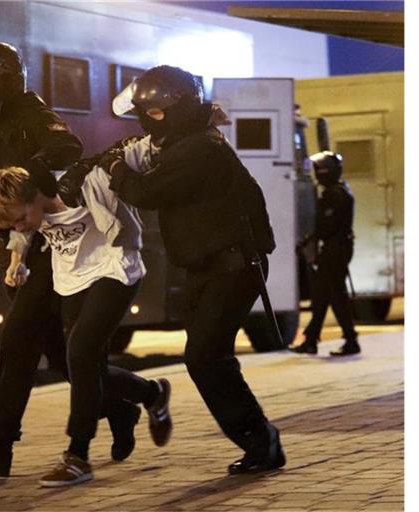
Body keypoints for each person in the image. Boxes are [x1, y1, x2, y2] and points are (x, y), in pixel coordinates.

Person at [0, 41, 144, 477]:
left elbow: (66, 149)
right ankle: (123, 406)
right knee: (61, 358)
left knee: (19, 341)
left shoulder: (33, 116)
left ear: (6, 82)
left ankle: (2, 442)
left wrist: (28, 194)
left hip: (51, 247)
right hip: (16, 248)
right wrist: (2, 232)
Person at [93, 65, 286, 475]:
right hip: (210, 266)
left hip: (230, 266)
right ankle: (259, 440)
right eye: (146, 113)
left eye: (157, 112)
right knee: (206, 357)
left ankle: (261, 442)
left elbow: (148, 192)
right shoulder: (189, 142)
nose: (149, 120)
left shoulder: (199, 149)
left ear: (177, 107)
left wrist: (116, 170)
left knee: (204, 357)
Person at [0, 166, 172, 487]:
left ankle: (77, 455)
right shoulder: (30, 213)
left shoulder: (83, 186)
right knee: (85, 367)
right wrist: (17, 263)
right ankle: (151, 393)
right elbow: (21, 233)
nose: (20, 226)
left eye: (20, 217)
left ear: (35, 196)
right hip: (72, 280)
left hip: (114, 271)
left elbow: (133, 160)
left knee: (81, 350)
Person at [290, 151, 360, 356]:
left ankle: (350, 340)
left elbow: (327, 226)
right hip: (337, 248)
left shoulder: (334, 195)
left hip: (334, 250)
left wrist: (308, 241)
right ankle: (312, 340)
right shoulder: (340, 191)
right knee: (322, 296)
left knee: (335, 296)